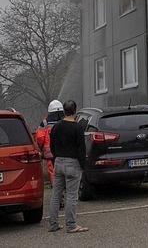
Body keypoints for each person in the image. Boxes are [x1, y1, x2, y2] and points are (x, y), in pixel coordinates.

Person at [48, 100, 88, 233]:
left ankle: (53, 224)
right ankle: (71, 225)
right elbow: (81, 149)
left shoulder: (56, 127)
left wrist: (56, 159)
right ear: (75, 110)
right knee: (72, 195)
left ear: (64, 111)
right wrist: (83, 166)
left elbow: (52, 146)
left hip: (58, 162)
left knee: (56, 195)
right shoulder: (77, 128)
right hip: (73, 164)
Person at [35, 100, 64, 183]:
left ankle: (56, 189)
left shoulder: (45, 123)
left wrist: (40, 148)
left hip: (50, 152)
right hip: (65, 151)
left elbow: (40, 138)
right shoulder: (66, 121)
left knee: (53, 171)